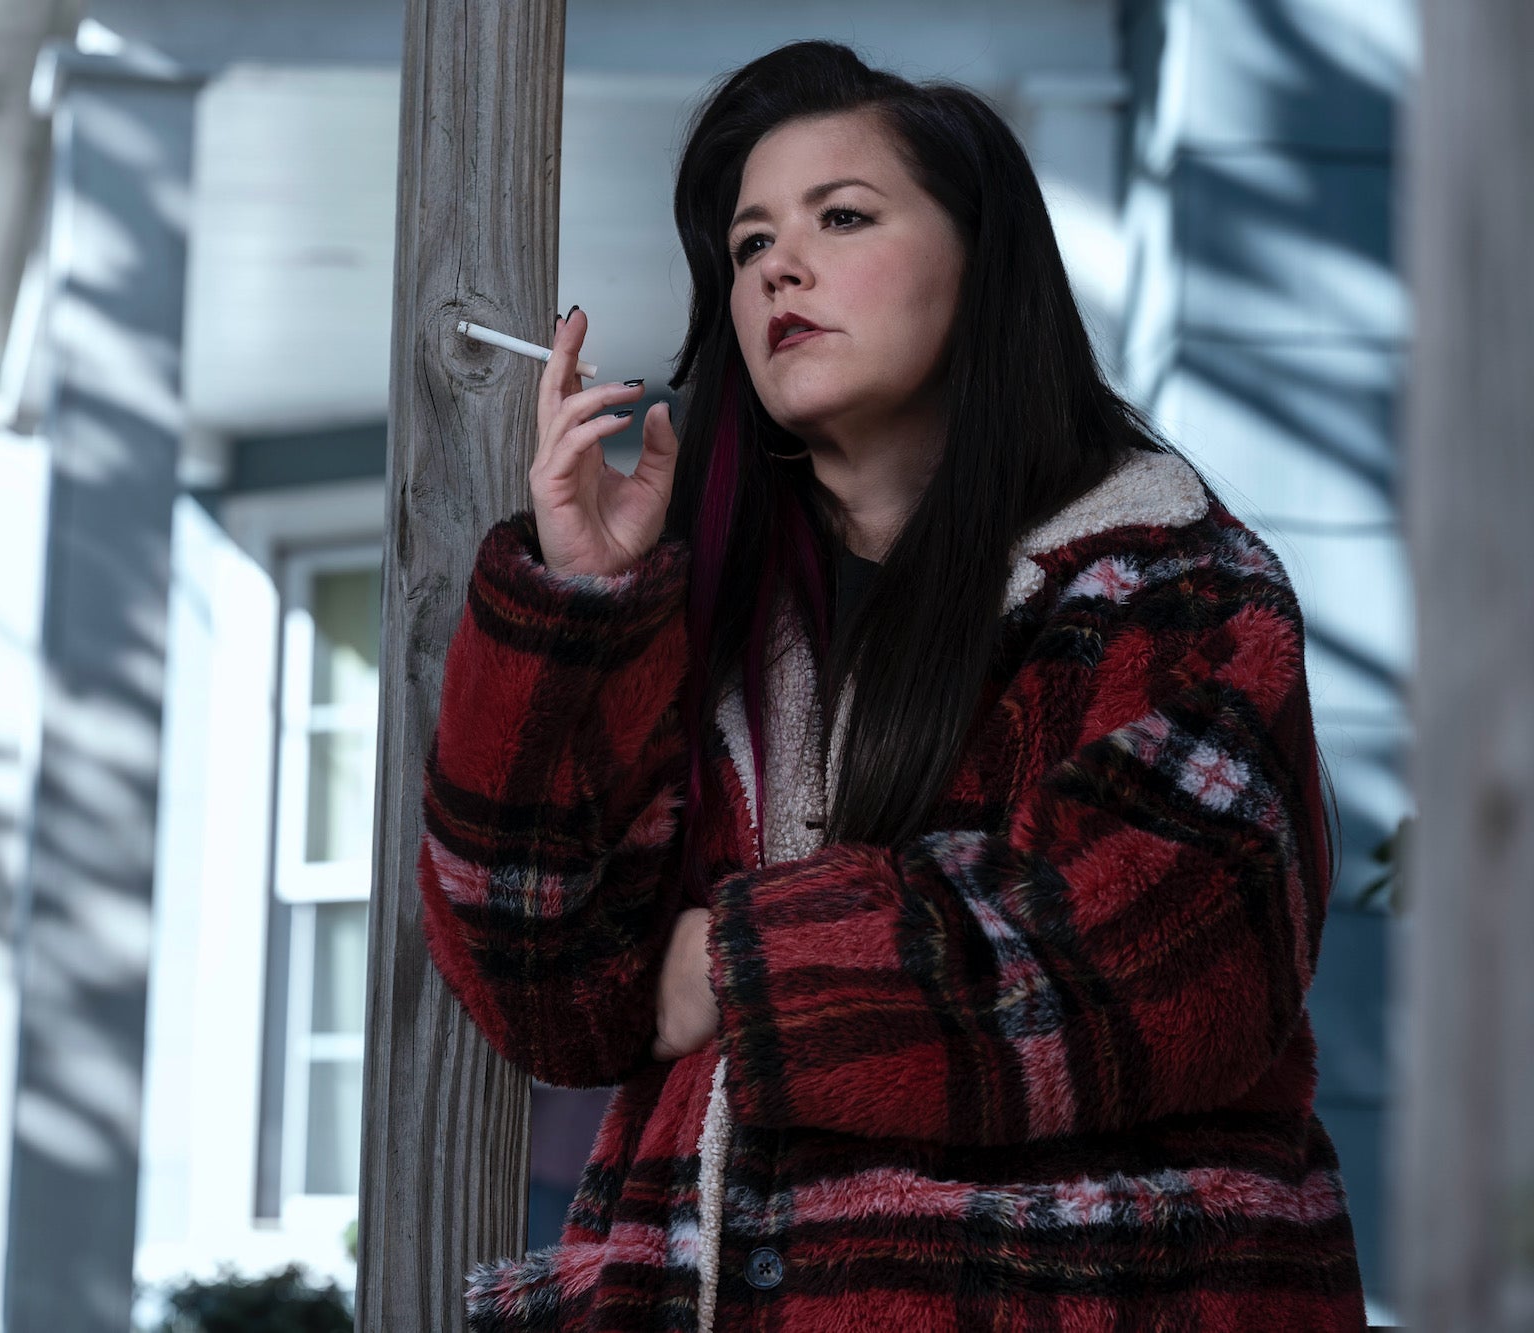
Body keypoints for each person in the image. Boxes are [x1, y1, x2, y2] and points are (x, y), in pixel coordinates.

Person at [415, 39, 1368, 1332]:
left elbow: (1148, 957)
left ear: (985, 269)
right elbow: (550, 985)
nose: (778, 271)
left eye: (841, 218)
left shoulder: (1171, 582)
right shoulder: (705, 617)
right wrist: (578, 604)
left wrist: (733, 963)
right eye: (749, 248)